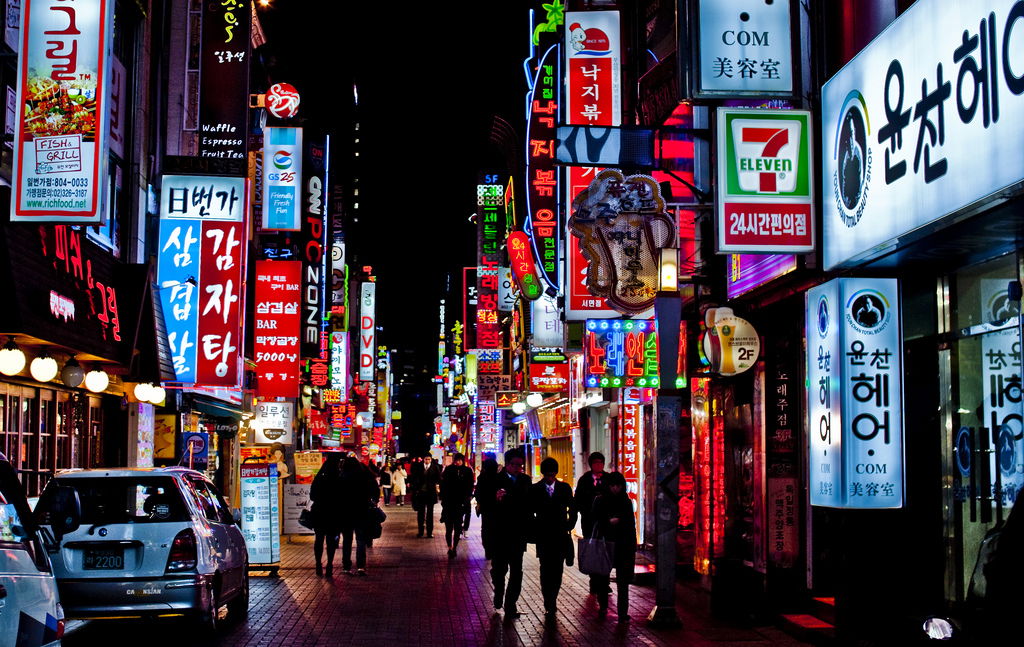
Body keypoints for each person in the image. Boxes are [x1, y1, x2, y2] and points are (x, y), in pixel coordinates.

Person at [479, 449, 531, 619]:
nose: (517, 468)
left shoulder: (525, 481)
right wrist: (495, 499)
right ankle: (499, 592)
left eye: (520, 465)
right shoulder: (495, 480)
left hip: (518, 534)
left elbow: (529, 506)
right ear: (507, 464)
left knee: (517, 571)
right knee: (499, 569)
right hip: (499, 534)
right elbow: (485, 504)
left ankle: (511, 604)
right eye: (514, 465)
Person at [528, 457, 577, 617]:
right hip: (543, 535)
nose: (549, 478)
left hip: (561, 534)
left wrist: (570, 524)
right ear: (543, 473)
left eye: (552, 475)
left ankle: (553, 598)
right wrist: (535, 527)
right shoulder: (535, 489)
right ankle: (548, 600)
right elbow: (530, 511)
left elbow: (573, 508)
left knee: (558, 569)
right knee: (545, 568)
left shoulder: (564, 488)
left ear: (555, 473)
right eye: (547, 475)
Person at [592, 471, 637, 621]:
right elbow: (595, 520)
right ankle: (603, 606)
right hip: (605, 543)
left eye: (618, 486)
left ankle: (623, 612)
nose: (616, 489)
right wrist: (609, 522)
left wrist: (632, 546)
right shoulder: (600, 501)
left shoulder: (626, 501)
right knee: (603, 578)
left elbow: (631, 525)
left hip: (623, 545)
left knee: (623, 581)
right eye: (613, 485)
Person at [338, 456, 379, 576]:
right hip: (362, 511)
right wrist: (373, 501)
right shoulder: (365, 476)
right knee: (361, 540)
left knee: (347, 540)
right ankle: (361, 566)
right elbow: (375, 490)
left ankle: (346, 566)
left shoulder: (342, 476)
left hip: (346, 513)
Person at [574, 451, 607, 594]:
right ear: (591, 465)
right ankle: (594, 581)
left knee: (605, 550)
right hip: (589, 522)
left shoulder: (609, 479)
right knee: (592, 550)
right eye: (595, 463)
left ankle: (604, 581)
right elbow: (578, 500)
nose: (598, 465)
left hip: (606, 523)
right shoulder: (584, 480)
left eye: (601, 462)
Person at [309, 453, 343, 577]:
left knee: (318, 539)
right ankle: (329, 564)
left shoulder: (319, 478)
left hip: (319, 512)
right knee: (331, 540)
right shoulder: (339, 479)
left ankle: (318, 564)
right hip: (333, 513)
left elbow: (312, 496)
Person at [440, 453, 475, 559]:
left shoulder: (468, 471)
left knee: (458, 527)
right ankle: (449, 547)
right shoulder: (449, 470)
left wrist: (468, 497)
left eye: (460, 460)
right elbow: (444, 485)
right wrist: (444, 499)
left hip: (460, 504)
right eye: (457, 460)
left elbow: (470, 485)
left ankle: (454, 547)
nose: (458, 462)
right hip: (449, 503)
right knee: (449, 528)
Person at [474, 456, 500, 559]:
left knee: (485, 528)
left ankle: (488, 550)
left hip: (485, 508)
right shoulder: (499, 478)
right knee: (495, 528)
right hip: (496, 508)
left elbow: (478, 493)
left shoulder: (482, 477)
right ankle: (493, 549)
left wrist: (480, 502)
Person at [411, 454, 442, 538]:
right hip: (421, 493)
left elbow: (439, 479)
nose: (427, 461)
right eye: (426, 459)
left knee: (430, 514)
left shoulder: (435, 467)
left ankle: (429, 532)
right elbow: (414, 478)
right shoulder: (418, 467)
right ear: (423, 459)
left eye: (429, 459)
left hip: (431, 493)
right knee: (420, 513)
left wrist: (437, 487)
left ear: (431, 459)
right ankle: (420, 531)